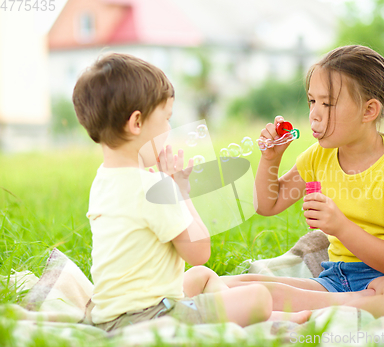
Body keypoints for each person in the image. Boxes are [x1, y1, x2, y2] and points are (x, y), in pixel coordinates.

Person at [72, 53, 311, 331]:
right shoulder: (153, 188)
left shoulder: (104, 179)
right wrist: (180, 191)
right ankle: (264, 317)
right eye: (166, 119)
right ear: (136, 122)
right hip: (147, 318)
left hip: (111, 313)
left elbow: (196, 265)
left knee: (202, 277)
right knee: (258, 296)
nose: (169, 129)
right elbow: (199, 252)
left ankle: (255, 316)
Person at [223, 45, 384, 319]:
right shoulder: (320, 156)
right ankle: (335, 307)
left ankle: (299, 309)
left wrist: (340, 227)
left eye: (328, 104)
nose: (314, 113)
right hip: (337, 279)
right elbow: (268, 204)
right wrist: (270, 159)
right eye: (312, 101)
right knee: (240, 284)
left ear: (369, 110)